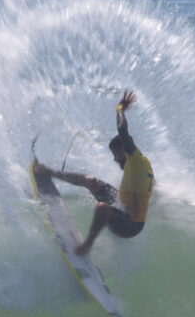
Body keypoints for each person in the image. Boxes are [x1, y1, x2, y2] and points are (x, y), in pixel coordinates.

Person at [34, 90, 154, 256]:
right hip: (120, 204)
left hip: (130, 225)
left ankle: (87, 246)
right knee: (91, 181)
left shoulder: (136, 159)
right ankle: (50, 172)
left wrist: (120, 109)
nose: (114, 159)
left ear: (125, 150)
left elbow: (123, 131)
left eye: (115, 155)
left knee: (102, 208)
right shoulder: (139, 164)